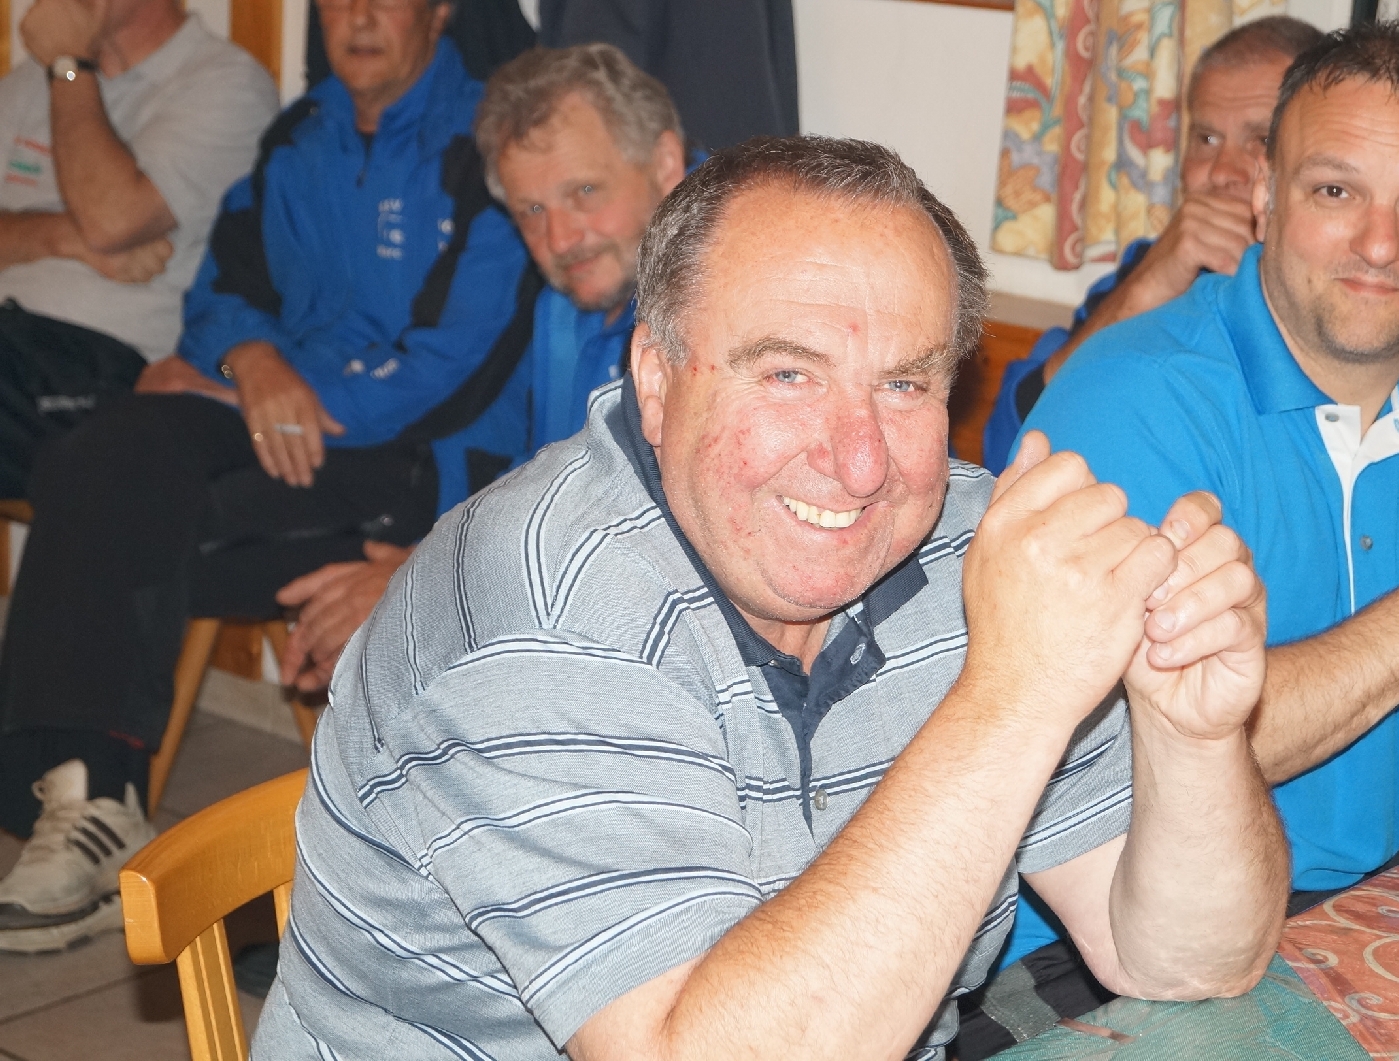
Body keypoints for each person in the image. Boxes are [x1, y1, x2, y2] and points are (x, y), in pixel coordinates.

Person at [253, 135, 1289, 1059]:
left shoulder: (977, 551)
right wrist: (1010, 698)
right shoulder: (538, 617)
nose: (859, 461)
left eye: (904, 383)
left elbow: (1186, 960)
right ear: (656, 380)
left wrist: (1193, 735)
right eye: (789, 374)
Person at [1024, 20, 1399, 933]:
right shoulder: (1129, 399)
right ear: (1265, 194)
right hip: (1109, 947)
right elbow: (1176, 743)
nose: (1380, 244)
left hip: (1357, 907)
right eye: (1337, 190)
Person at [0, 0, 534, 953]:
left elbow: (456, 360)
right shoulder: (301, 132)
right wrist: (249, 359)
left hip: (417, 459)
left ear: (440, 10)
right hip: (278, 420)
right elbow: (219, 291)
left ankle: (81, 785)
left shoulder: (491, 140)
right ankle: (96, 795)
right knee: (105, 450)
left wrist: (278, 391)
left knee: (119, 523)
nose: (357, 16)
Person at [273, 42, 689, 693]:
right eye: (531, 211)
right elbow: (530, 467)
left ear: (664, 164)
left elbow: (645, 533)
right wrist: (424, 562)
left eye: (584, 191)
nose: (559, 240)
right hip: (558, 586)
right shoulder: (567, 299)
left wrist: (425, 582)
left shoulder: (721, 296)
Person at [981, 15, 1399, 475]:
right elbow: (1007, 449)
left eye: (1260, 139)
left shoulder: (1396, 294)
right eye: (1205, 138)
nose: (1223, 172)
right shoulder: (1146, 267)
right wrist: (1146, 286)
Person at [0, 0, 278, 497]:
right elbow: (93, 233)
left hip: (113, 369)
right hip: (14, 348)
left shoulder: (224, 83)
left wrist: (69, 67)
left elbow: (112, 221)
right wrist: (61, 237)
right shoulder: (29, 82)